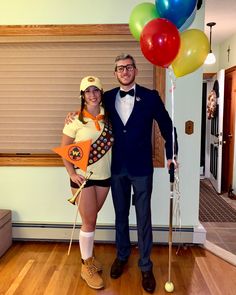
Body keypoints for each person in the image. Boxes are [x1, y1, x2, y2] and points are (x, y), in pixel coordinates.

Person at [66, 54, 176, 293]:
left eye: (128, 67)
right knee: (120, 216)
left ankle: (145, 266)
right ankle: (122, 255)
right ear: (115, 73)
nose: (124, 71)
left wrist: (171, 155)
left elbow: (167, 126)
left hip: (142, 169)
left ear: (135, 70)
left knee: (144, 218)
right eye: (119, 68)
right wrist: (74, 115)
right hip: (116, 169)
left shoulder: (150, 97)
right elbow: (88, 110)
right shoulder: (105, 97)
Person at [61, 76, 113, 290]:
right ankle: (86, 266)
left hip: (105, 176)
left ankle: (89, 258)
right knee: (89, 221)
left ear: (101, 93)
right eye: (87, 91)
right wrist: (72, 173)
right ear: (82, 95)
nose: (92, 94)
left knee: (92, 218)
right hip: (84, 179)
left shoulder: (109, 118)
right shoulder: (74, 120)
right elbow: (65, 150)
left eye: (95, 90)